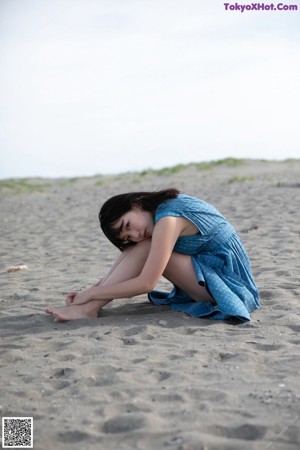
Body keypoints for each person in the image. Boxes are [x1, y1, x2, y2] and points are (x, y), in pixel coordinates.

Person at [45, 189, 259, 321]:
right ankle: (89, 307)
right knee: (143, 244)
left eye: (128, 225)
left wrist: (91, 294)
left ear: (136, 204)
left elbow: (146, 284)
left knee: (146, 245)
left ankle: (90, 307)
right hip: (208, 275)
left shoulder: (169, 219)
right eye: (127, 236)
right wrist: (94, 289)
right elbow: (132, 257)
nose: (134, 234)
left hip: (230, 289)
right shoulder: (161, 213)